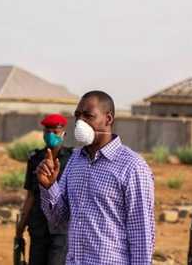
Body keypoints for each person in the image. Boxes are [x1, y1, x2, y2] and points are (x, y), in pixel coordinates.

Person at [36, 90, 155, 265]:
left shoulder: (132, 167)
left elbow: (142, 236)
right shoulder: (75, 160)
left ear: (108, 119)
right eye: (77, 116)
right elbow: (58, 221)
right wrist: (49, 187)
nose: (80, 122)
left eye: (88, 116)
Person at [16, 114, 73, 265]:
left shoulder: (73, 158)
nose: (51, 135)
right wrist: (21, 225)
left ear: (64, 133)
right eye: (47, 131)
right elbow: (30, 195)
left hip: (61, 229)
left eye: (55, 131)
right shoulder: (35, 159)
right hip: (38, 226)